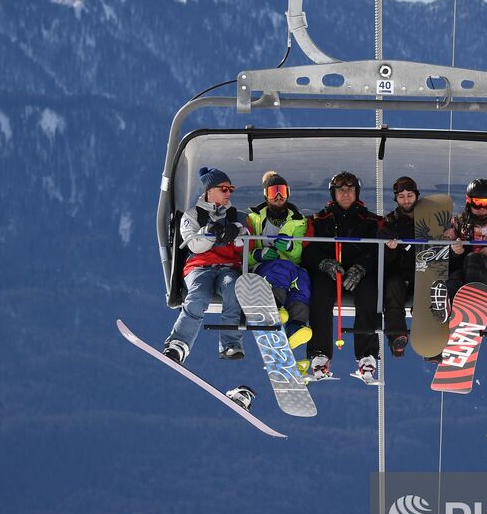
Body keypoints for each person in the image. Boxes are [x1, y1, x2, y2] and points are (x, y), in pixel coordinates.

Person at [162, 166, 254, 408]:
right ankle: (178, 344)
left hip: (227, 267)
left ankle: (230, 343)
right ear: (209, 191)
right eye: (224, 189)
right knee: (198, 295)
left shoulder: (237, 216)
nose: (228, 194)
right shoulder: (193, 216)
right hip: (199, 267)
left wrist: (236, 233)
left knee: (233, 289)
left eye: (230, 189)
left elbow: (246, 243)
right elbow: (194, 245)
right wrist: (211, 233)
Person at [304, 171, 384, 382]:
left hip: (359, 273)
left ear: (357, 192)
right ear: (334, 193)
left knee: (369, 292)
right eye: (341, 189)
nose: (346, 193)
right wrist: (324, 263)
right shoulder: (321, 220)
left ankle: (367, 355)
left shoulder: (370, 221)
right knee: (319, 292)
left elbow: (379, 250)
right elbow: (309, 249)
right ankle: (319, 353)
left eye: (350, 189)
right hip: (332, 273)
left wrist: (362, 267)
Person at [244, 171, 313, 350]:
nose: (278, 196)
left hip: (291, 269)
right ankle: (273, 307)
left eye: (281, 191)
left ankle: (295, 325)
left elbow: (298, 254)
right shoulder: (254, 219)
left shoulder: (298, 221)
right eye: (273, 192)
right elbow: (245, 250)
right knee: (280, 268)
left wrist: (289, 247)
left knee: (303, 278)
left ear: (288, 192)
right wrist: (259, 254)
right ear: (266, 195)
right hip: (264, 269)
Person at [377, 175, 420, 358]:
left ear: (416, 195)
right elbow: (382, 260)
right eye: (401, 197)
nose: (406, 200)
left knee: (430, 293)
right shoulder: (390, 222)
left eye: (409, 195)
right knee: (393, 288)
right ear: (396, 199)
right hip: (400, 273)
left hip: (422, 271)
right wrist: (391, 250)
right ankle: (396, 336)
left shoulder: (428, 217)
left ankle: (431, 340)